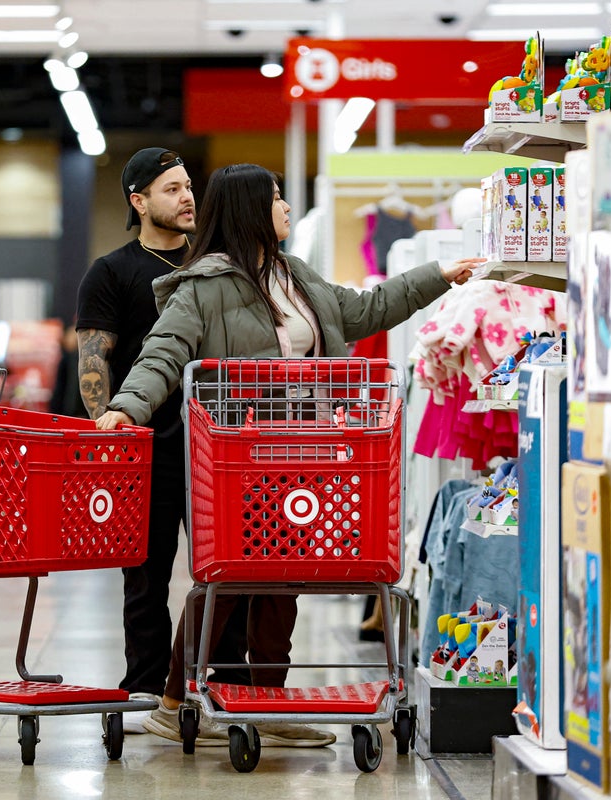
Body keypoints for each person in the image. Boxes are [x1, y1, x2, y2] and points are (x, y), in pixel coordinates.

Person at [96, 162, 484, 747]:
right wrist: (127, 407)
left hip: (306, 453)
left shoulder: (294, 275)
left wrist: (438, 276)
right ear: (250, 209)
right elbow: (162, 352)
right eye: (276, 198)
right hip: (237, 459)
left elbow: (364, 309)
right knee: (231, 576)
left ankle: (268, 701)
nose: (285, 207)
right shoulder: (203, 286)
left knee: (287, 577)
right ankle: (174, 699)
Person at [76, 147, 250, 741]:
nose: (187, 197)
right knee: (146, 577)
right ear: (139, 200)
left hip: (216, 446)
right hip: (146, 448)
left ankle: (222, 682)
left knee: (226, 572)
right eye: (171, 189)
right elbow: (94, 361)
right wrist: (111, 437)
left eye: (188, 187)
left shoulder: (216, 267)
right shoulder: (112, 271)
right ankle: (146, 687)